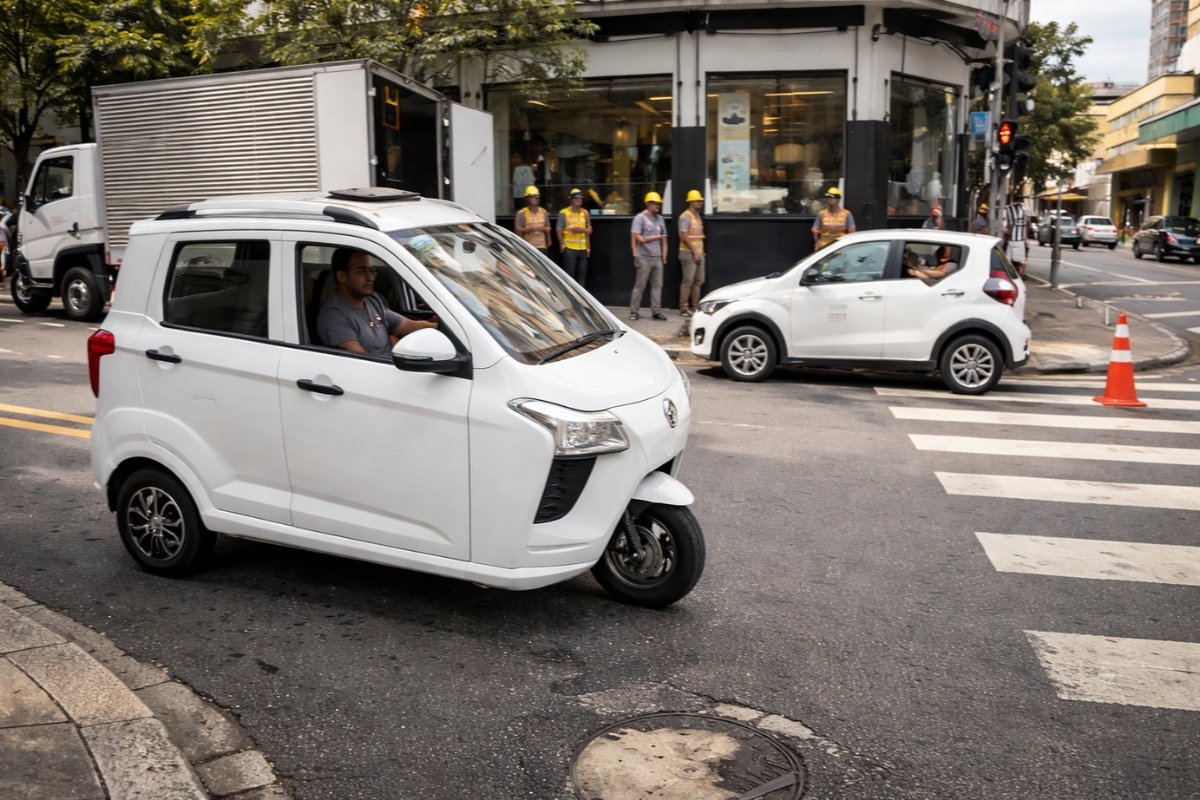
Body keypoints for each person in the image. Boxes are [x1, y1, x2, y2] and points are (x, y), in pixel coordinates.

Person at [317, 249, 438, 356]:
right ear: (341, 276)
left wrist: (439, 327)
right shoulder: (334, 316)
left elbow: (405, 325)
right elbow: (360, 359)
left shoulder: (373, 300)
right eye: (361, 271)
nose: (371, 278)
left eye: (371, 270)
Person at [630, 191, 668, 321]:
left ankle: (656, 311)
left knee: (657, 286)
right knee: (640, 286)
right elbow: (635, 236)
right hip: (644, 258)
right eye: (655, 203)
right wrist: (635, 252)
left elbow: (664, 239)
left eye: (659, 204)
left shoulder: (660, 219)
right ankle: (634, 311)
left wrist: (664, 256)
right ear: (649, 204)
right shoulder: (640, 218)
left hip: (657, 258)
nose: (658, 206)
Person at [678, 189, 706, 317]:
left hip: (698, 253)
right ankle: (684, 308)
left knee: (698, 281)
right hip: (688, 253)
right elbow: (683, 235)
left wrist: (700, 252)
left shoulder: (698, 217)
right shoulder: (685, 217)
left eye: (701, 201)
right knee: (688, 281)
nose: (701, 203)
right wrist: (694, 252)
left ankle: (695, 307)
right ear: (691, 202)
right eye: (698, 201)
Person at [557, 188, 592, 287]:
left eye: (581, 198)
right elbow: (559, 229)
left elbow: (589, 231)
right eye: (576, 198)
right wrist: (562, 244)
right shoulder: (564, 213)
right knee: (569, 275)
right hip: (570, 247)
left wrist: (588, 247)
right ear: (571, 199)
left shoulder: (585, 213)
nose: (579, 200)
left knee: (582, 274)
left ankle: (581, 298)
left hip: (582, 248)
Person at [515, 185, 550, 253]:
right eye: (531, 197)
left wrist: (549, 241)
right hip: (528, 247)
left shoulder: (543, 212)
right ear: (527, 198)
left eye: (536, 197)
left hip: (541, 246)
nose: (534, 199)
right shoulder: (522, 213)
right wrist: (528, 230)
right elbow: (518, 230)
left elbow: (548, 227)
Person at [1004, 194, 1030, 276]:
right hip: (1021, 240)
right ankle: (1020, 274)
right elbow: (1027, 228)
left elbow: (1009, 227)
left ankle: (1013, 273)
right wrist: (1026, 240)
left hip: (1013, 240)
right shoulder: (1025, 211)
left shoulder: (1009, 209)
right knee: (1021, 260)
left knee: (1009, 258)